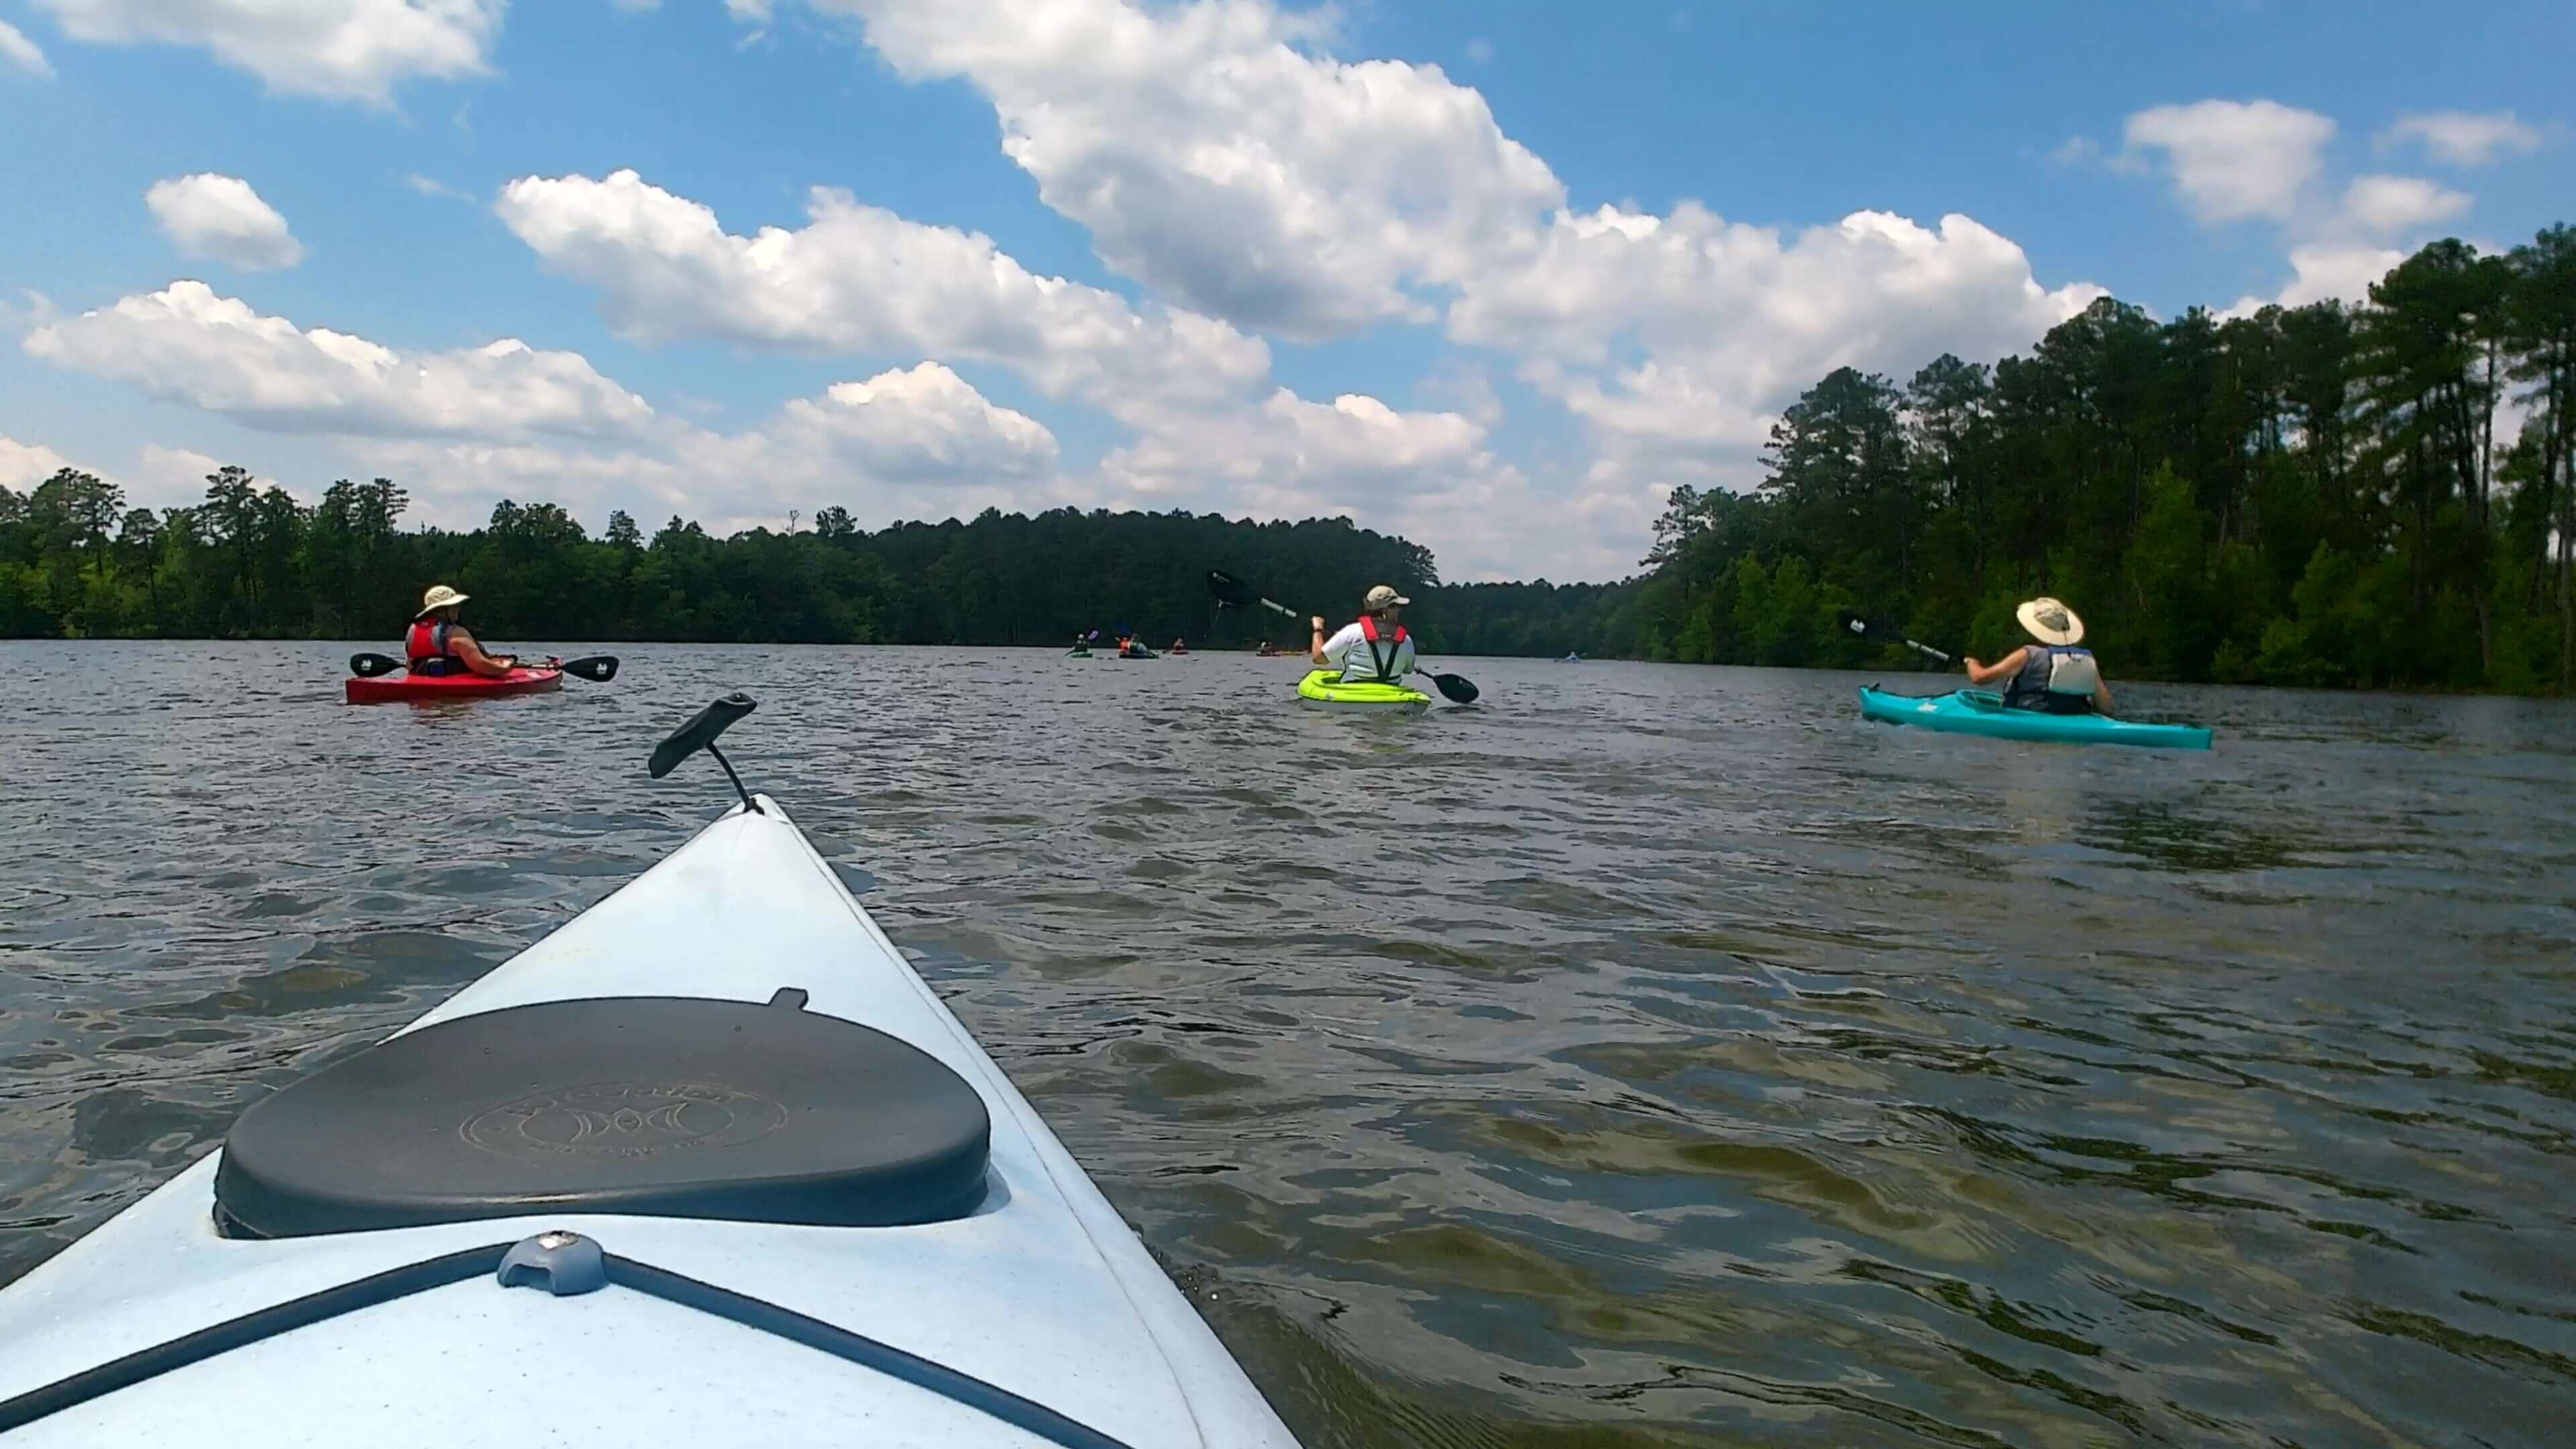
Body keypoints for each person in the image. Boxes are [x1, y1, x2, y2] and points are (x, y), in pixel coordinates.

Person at [1964, 596, 2112, 715]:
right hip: (2076, 719)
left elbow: (1979, 678)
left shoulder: (2027, 655)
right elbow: (2106, 707)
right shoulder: (2086, 659)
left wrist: (1971, 662)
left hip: (2029, 717)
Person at [405, 585, 526, 679]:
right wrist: (505, 668)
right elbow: (481, 666)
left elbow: (410, 665)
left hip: (421, 683)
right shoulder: (456, 633)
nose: (458, 609)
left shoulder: (413, 629)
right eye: (454, 606)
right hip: (454, 685)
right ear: (444, 609)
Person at [1308, 585, 1419, 683]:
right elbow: (1408, 670)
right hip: (1392, 695)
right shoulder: (1405, 639)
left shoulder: (1352, 632)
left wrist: (1318, 630)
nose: (1399, 610)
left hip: (1353, 693)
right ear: (1385, 611)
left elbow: (1319, 658)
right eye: (1396, 607)